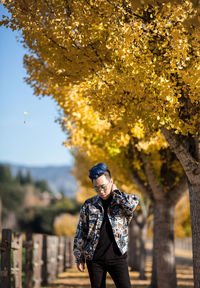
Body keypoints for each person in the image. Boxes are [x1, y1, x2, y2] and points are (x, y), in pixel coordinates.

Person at [73, 162, 140, 288]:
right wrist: (79, 257)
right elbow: (81, 232)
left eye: (103, 186)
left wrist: (116, 192)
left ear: (111, 182)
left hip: (118, 257)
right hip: (94, 259)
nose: (101, 191)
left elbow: (132, 205)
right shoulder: (89, 205)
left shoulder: (121, 202)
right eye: (96, 188)